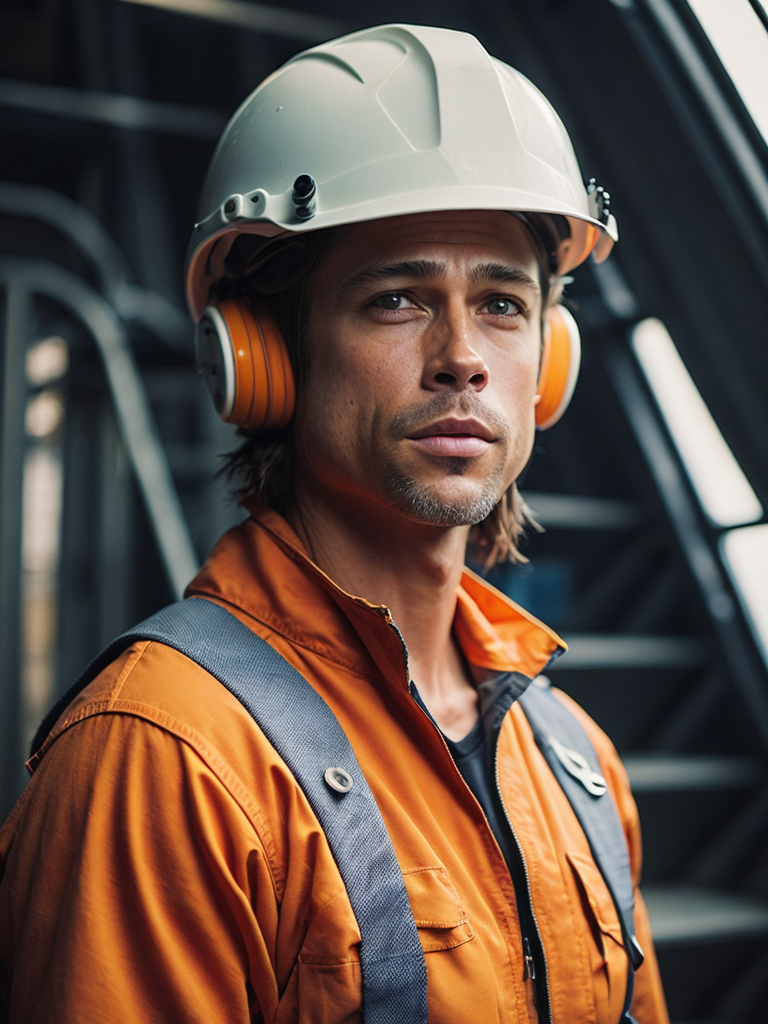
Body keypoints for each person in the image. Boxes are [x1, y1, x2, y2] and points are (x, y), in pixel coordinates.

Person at [0, 23, 669, 1024]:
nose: (461, 358)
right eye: (397, 299)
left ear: (551, 363)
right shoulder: (163, 760)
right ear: (261, 357)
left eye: (500, 302)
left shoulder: (575, 761)